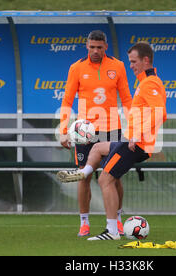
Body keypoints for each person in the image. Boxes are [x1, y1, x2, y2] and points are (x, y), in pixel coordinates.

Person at [57, 41, 167, 241]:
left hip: (136, 142)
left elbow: (160, 114)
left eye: (134, 62)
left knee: (105, 180)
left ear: (146, 60)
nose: (131, 65)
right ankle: (83, 172)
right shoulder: (144, 82)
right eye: (130, 62)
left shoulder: (150, 83)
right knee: (98, 148)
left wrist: (136, 134)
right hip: (129, 139)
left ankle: (112, 231)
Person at [59, 30, 132, 237]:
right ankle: (84, 222)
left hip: (112, 130)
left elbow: (126, 99)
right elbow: (67, 100)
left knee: (114, 177)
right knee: (84, 176)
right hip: (85, 132)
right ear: (87, 46)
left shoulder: (117, 66)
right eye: (92, 47)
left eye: (99, 47)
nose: (96, 51)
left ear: (106, 47)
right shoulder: (76, 68)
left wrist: (135, 128)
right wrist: (64, 130)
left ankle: (117, 220)